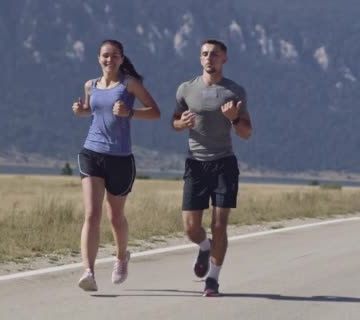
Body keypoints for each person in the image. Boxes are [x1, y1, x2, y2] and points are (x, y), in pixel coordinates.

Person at [72, 39, 161, 291]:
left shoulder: (130, 84)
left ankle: (122, 256)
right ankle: (88, 271)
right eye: (104, 56)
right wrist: (82, 110)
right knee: (92, 213)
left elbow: (155, 111)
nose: (109, 60)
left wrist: (130, 113)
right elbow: (92, 111)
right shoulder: (90, 85)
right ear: (98, 58)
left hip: (120, 158)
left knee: (115, 216)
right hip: (91, 152)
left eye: (114, 56)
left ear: (121, 59)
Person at [172, 39, 253, 297]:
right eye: (205, 54)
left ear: (224, 59)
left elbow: (246, 133)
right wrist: (181, 124)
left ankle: (213, 280)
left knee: (220, 226)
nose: (209, 58)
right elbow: (175, 121)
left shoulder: (234, 91)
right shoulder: (186, 89)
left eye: (215, 54)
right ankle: (205, 246)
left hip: (223, 164)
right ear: (200, 59)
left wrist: (234, 119)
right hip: (195, 163)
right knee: (190, 229)